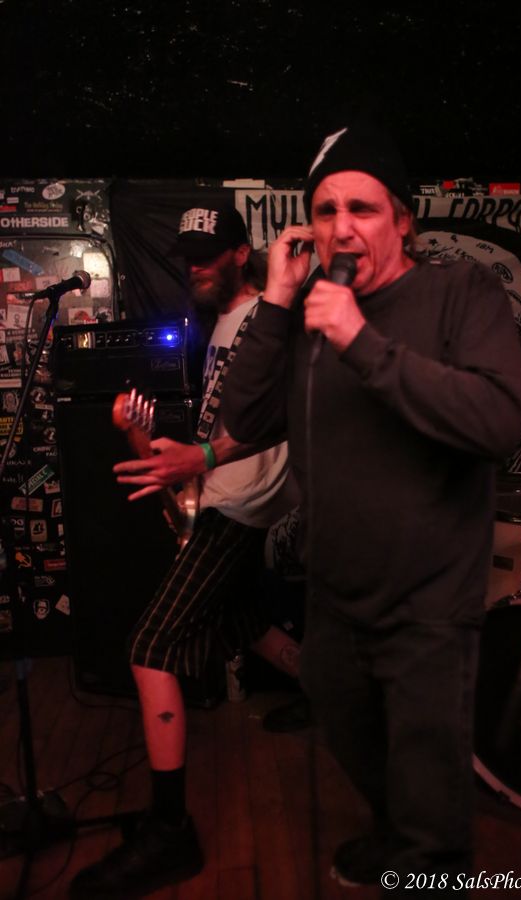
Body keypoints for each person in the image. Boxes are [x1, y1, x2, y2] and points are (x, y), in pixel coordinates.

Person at [222, 123, 521, 892]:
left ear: (402, 219)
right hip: (333, 594)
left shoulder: (460, 293)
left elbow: (496, 420)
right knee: (348, 729)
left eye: (361, 207)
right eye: (325, 211)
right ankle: (398, 837)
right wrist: (277, 300)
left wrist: (361, 341)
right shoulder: (308, 312)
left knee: (430, 780)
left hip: (428, 599)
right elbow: (244, 418)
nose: (341, 226)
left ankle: (430, 863)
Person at [70, 200, 301, 898]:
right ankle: (337, 695)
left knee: (151, 650)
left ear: (242, 253)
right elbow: (216, 426)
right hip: (222, 495)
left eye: (209, 255)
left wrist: (204, 469)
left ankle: (170, 830)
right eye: (188, 258)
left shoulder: (271, 317)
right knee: (244, 623)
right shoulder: (222, 323)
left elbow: (272, 422)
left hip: (239, 503)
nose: (195, 267)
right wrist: (142, 434)